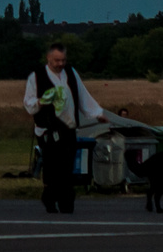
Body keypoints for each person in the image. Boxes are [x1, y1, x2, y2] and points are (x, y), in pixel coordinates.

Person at [25, 42, 105, 214]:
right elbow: (29, 103)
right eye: (56, 61)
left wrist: (97, 113)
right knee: (53, 166)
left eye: (63, 60)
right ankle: (50, 199)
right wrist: (40, 101)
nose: (60, 64)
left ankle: (66, 203)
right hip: (48, 130)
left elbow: (83, 96)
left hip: (68, 128)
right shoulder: (36, 77)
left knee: (67, 167)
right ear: (48, 58)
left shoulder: (71, 73)